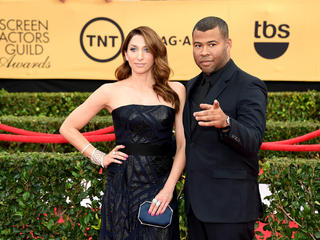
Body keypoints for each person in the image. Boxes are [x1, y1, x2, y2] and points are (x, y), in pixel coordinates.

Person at [59, 26, 186, 240]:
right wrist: (99, 157)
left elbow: (183, 146)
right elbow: (68, 127)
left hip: (160, 184)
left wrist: (168, 188)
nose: (139, 56)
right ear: (125, 54)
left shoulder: (175, 90)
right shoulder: (110, 91)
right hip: (123, 183)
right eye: (133, 49)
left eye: (147, 50)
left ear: (156, 54)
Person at [183, 16, 267, 240]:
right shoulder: (190, 86)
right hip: (195, 208)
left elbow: (253, 141)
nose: (203, 52)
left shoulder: (249, 85)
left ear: (227, 44)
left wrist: (227, 123)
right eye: (198, 45)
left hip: (231, 209)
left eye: (212, 44)